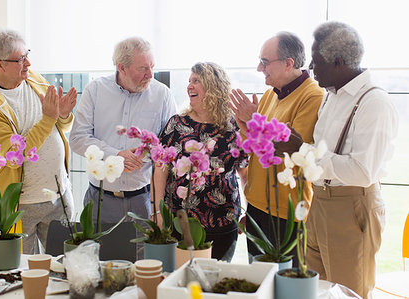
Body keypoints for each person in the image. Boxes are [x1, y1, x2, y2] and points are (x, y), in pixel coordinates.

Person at [304, 21, 398, 299]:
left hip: (351, 205)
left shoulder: (374, 102)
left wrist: (305, 151)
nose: (311, 67)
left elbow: (362, 171)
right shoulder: (330, 97)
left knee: (348, 292)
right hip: (319, 202)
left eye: (316, 60)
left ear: (338, 62)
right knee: (316, 290)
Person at [69, 37, 176, 258]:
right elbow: (78, 138)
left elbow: (168, 147)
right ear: (122, 67)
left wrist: (143, 155)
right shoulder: (95, 90)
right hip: (100, 199)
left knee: (144, 270)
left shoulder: (162, 94)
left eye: (152, 67)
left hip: (144, 201)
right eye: (143, 68)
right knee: (98, 267)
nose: (150, 74)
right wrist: (115, 156)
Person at [0, 29, 77, 254]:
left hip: (58, 195)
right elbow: (12, 156)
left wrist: (63, 115)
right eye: (20, 59)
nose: (28, 63)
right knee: (23, 273)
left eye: (27, 54)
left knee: (65, 266)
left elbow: (60, 127)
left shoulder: (33, 79)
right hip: (21, 206)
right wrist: (49, 117)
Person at [229, 32, 324, 264]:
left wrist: (254, 120)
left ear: (288, 63)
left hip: (287, 212)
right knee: (259, 281)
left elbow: (290, 149)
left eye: (264, 62)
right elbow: (256, 146)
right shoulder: (272, 93)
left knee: (283, 285)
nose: (259, 68)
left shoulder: (313, 96)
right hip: (258, 207)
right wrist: (246, 126)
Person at [154, 62, 249, 261]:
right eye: (189, 81)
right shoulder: (176, 124)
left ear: (213, 86)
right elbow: (160, 169)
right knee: (183, 283)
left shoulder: (234, 125)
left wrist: (250, 211)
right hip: (180, 221)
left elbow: (244, 171)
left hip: (224, 221)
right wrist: (158, 211)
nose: (189, 86)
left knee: (216, 283)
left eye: (196, 81)